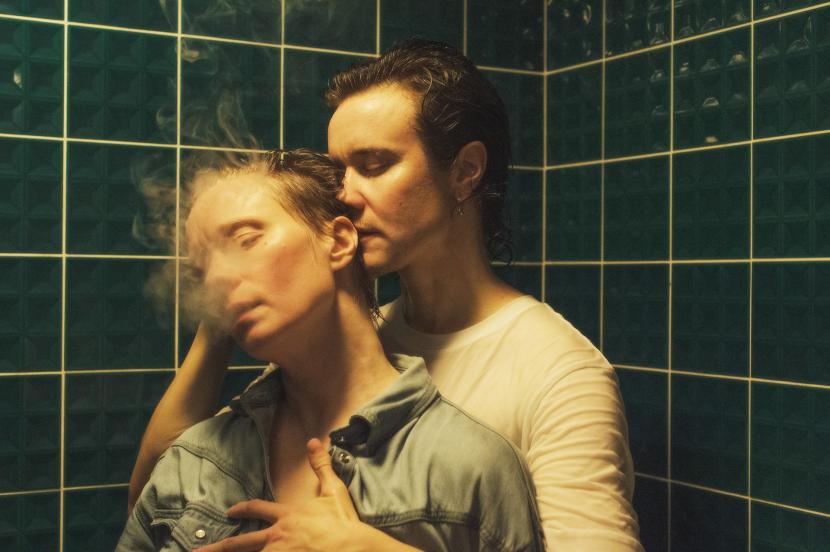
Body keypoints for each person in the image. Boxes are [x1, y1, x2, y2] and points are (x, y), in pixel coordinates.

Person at [130, 40, 643, 551]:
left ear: (465, 171)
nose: (346, 194)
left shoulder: (557, 372)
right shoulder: (354, 339)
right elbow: (161, 489)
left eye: (373, 165)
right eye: (340, 170)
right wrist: (226, 292)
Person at [118, 149, 545, 551]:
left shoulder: (468, 466)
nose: (216, 280)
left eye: (246, 240)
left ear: (339, 241)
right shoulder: (194, 458)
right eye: (203, 269)